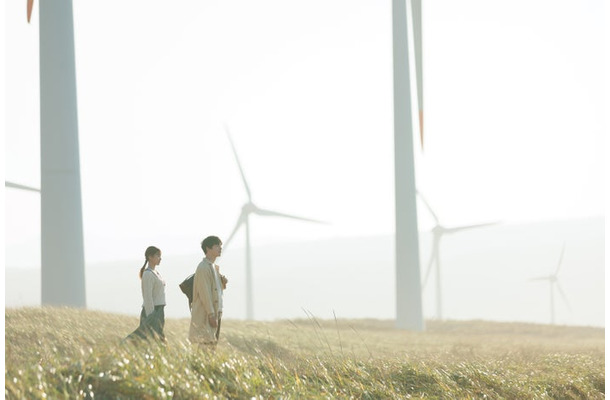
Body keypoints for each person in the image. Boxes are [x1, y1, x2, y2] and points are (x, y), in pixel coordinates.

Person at [189, 236, 227, 347]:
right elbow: (205, 293)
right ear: (208, 248)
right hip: (207, 314)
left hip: (216, 313)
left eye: (220, 246)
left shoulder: (214, 267)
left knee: (211, 345)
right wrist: (211, 314)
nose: (220, 248)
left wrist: (223, 283)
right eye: (217, 246)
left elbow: (216, 291)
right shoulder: (203, 268)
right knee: (206, 344)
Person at [126, 246, 167, 342]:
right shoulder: (148, 274)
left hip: (159, 310)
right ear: (150, 257)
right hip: (153, 311)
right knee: (148, 339)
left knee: (155, 338)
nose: (160, 258)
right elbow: (147, 296)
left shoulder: (155, 272)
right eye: (157, 256)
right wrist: (151, 316)